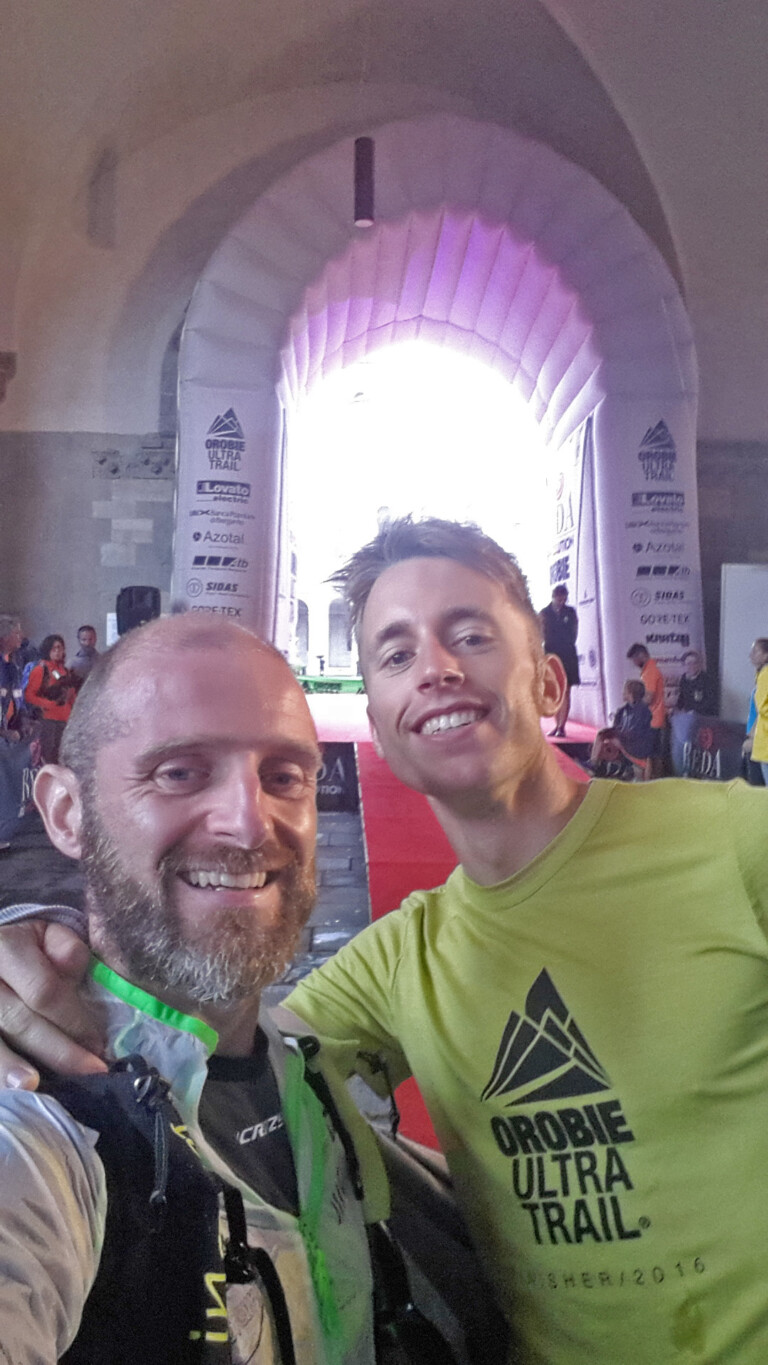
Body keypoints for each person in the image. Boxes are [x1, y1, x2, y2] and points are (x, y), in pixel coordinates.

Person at [2, 518, 768, 1363]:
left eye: (470, 635)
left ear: (551, 682)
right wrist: (29, 957)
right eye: (397, 653)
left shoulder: (735, 840)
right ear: (380, 722)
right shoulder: (402, 959)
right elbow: (203, 1037)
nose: (435, 667)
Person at [0, 616, 388, 1363]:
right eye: (179, 772)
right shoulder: (39, 1129)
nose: (248, 823)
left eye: (284, 776)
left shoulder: (310, 1063)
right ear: (65, 812)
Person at [23, 632, 78, 762]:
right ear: (47, 650)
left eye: (60, 648)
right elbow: (29, 695)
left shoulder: (65, 671)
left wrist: (74, 710)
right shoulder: (40, 669)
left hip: (65, 719)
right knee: (48, 756)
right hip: (48, 720)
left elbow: (72, 695)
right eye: (54, 648)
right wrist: (49, 704)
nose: (58, 651)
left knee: (62, 755)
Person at [539, 584, 579, 737]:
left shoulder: (570, 612)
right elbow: (541, 633)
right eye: (560, 598)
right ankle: (556, 725)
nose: (562, 601)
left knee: (566, 689)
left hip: (567, 653)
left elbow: (574, 632)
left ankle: (562, 726)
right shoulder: (544, 613)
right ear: (554, 597)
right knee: (556, 690)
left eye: (564, 599)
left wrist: (567, 644)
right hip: (551, 653)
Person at [670, 650, 717, 776]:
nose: (690, 666)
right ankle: (686, 771)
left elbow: (711, 702)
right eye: (687, 664)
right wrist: (676, 709)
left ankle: (700, 773)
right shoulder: (684, 679)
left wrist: (695, 711)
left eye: (693, 663)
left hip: (704, 721)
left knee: (701, 749)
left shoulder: (707, 680)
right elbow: (681, 699)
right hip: (688, 722)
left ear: (699, 664)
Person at [626, 642, 666, 775]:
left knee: (650, 756)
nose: (634, 663)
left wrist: (635, 709)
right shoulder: (649, 670)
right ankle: (655, 781)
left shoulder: (650, 671)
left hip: (653, 720)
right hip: (654, 719)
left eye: (634, 659)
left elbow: (649, 697)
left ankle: (651, 782)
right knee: (655, 755)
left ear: (642, 655)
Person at [744, 637, 768, 786]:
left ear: (766, 655)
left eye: (756, 651)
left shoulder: (765, 675)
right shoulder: (761, 675)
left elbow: (763, 708)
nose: (751, 655)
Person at [0, 611, 24, 741]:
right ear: (4, 637)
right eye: (17, 633)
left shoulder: (16, 661)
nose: (21, 636)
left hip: (12, 728)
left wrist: (24, 719)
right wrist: (2, 732)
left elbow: (17, 693)